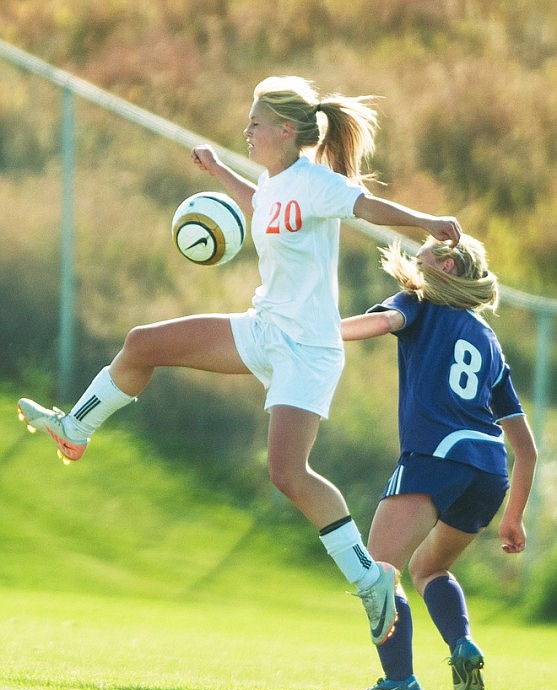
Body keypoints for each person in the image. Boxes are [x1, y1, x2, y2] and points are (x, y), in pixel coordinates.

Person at [17, 76, 462, 648]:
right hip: (262, 329)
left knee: (287, 473)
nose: (246, 130)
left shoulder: (316, 183)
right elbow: (262, 206)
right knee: (143, 342)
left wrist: (426, 223)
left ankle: (369, 578)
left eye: (255, 122)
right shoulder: (275, 184)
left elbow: (366, 206)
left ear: (284, 130)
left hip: (309, 348)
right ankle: (75, 428)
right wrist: (221, 174)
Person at [341, 233, 537, 690]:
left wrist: (311, 331)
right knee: (429, 568)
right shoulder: (488, 340)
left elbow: (384, 322)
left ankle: (399, 682)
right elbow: (526, 450)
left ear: (445, 267)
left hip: (436, 457)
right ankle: (462, 643)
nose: (415, 254)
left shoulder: (418, 302)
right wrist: (512, 517)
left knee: (378, 573)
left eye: (425, 249)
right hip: (489, 471)